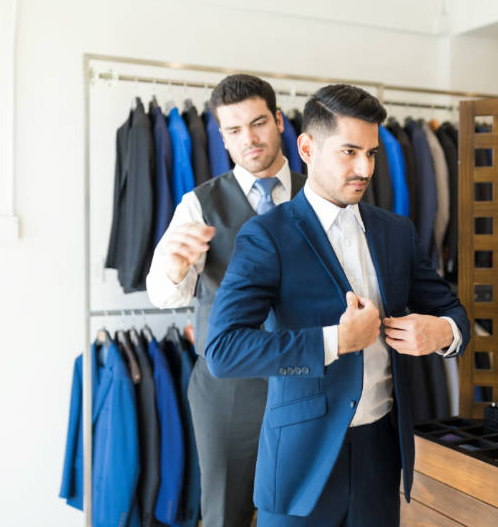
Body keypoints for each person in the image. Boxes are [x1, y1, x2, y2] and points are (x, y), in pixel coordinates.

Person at [205, 84, 470, 526]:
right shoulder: (267, 236)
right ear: (307, 148)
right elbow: (224, 351)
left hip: (380, 457)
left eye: (371, 153)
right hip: (300, 462)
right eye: (349, 152)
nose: (364, 167)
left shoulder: (395, 231)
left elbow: (454, 313)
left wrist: (443, 333)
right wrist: (336, 340)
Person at [146, 74, 307, 527]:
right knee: (224, 513)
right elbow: (162, 293)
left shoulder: (319, 192)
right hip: (229, 385)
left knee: (304, 510)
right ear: (221, 135)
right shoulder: (198, 204)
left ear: (278, 121)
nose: (249, 140)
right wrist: (176, 269)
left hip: (307, 374)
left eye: (258, 124)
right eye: (234, 131)